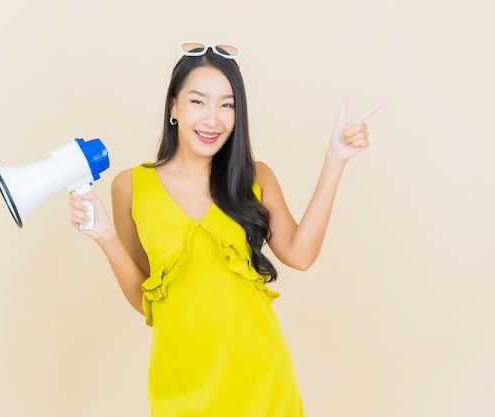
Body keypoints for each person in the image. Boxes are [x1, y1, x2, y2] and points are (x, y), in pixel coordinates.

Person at [69, 42, 389, 417]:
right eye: (198, 102)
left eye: (227, 104)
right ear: (173, 107)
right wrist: (106, 238)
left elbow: (300, 255)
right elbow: (147, 300)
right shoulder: (130, 186)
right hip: (179, 384)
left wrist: (335, 160)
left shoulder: (255, 177)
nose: (212, 119)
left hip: (262, 381)